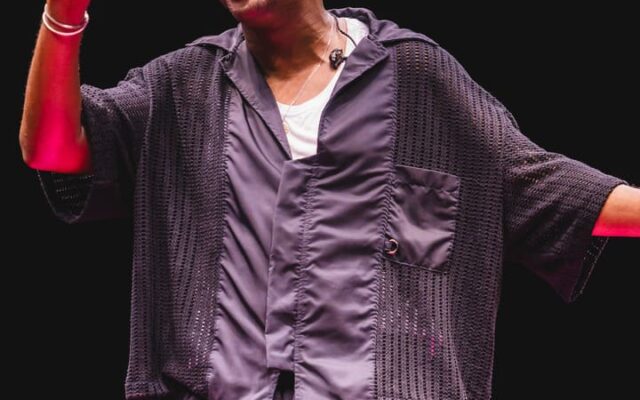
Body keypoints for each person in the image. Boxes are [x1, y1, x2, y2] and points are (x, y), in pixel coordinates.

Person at [19, 1, 640, 400]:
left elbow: (536, 184)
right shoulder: (181, 86)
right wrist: (63, 15)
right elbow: (51, 147)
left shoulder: (416, 76)